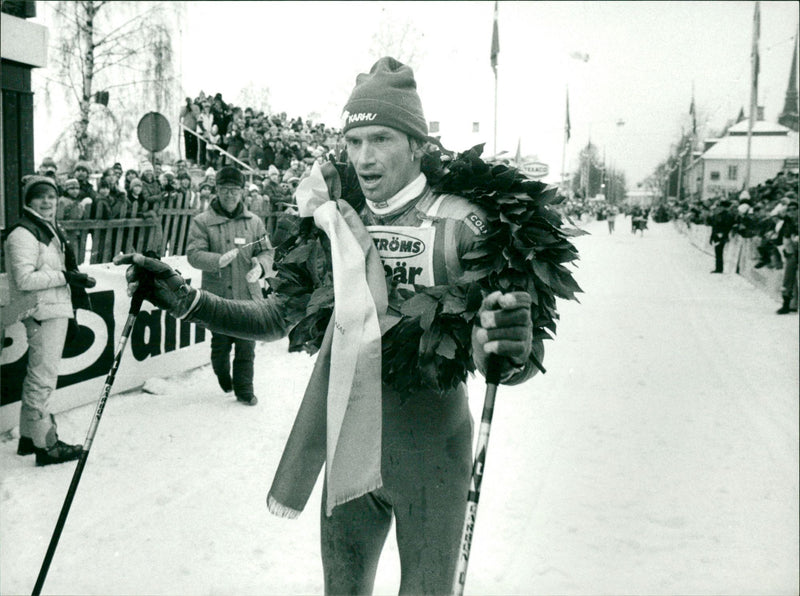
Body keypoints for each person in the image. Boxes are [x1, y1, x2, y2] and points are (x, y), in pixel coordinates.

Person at [116, 57, 538, 594]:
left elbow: (506, 352)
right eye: (354, 141)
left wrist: (506, 346)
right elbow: (280, 317)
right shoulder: (334, 220)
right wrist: (188, 302)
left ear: (417, 144)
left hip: (432, 454)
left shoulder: (462, 223)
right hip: (349, 450)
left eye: (381, 138)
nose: (364, 157)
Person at [4, 176, 96, 466]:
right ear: (28, 201)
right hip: (41, 310)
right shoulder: (24, 233)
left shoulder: (45, 228)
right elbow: (24, 279)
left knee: (39, 374)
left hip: (50, 309)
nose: (47, 201)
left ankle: (29, 439)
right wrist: (65, 277)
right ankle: (46, 446)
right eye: (40, 196)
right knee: (43, 377)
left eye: (51, 197)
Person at [184, 166, 274, 406]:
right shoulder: (202, 222)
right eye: (225, 190)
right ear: (217, 190)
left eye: (235, 190)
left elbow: (266, 250)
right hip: (219, 296)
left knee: (247, 346)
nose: (230, 195)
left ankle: (244, 390)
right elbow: (193, 254)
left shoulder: (254, 222)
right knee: (221, 344)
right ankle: (223, 375)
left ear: (242, 192)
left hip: (248, 297)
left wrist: (261, 267)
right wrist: (215, 260)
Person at [776, 199, 798, 314]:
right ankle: (786, 304)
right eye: (789, 210)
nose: (792, 212)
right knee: (788, 279)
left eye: (794, 209)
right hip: (790, 252)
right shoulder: (787, 221)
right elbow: (781, 236)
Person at [709, 198, 736, 273]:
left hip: (721, 236)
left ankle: (719, 268)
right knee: (717, 252)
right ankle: (718, 267)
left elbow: (727, 226)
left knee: (719, 251)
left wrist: (724, 234)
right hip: (717, 236)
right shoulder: (717, 215)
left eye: (720, 206)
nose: (719, 208)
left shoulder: (727, 215)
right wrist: (711, 237)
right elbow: (714, 226)